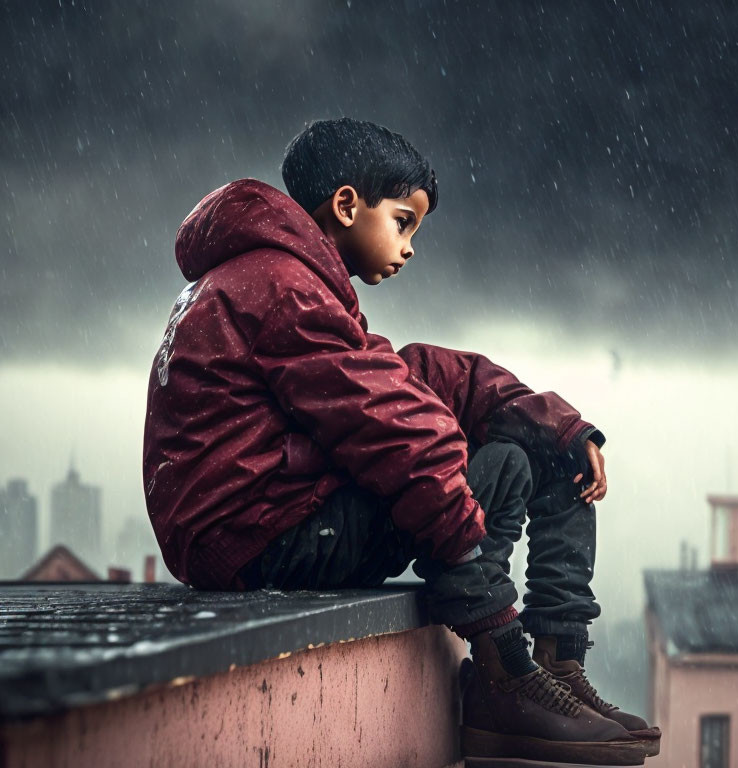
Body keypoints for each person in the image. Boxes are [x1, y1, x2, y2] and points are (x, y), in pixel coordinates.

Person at [142, 117, 660, 764]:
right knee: (501, 464)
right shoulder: (284, 290)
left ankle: (560, 665)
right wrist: (484, 599)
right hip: (263, 539)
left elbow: (403, 377)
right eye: (403, 221)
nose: (410, 246)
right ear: (346, 205)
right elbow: (392, 429)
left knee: (544, 442)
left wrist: (555, 422)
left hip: (251, 527)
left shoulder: (265, 278)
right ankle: (505, 674)